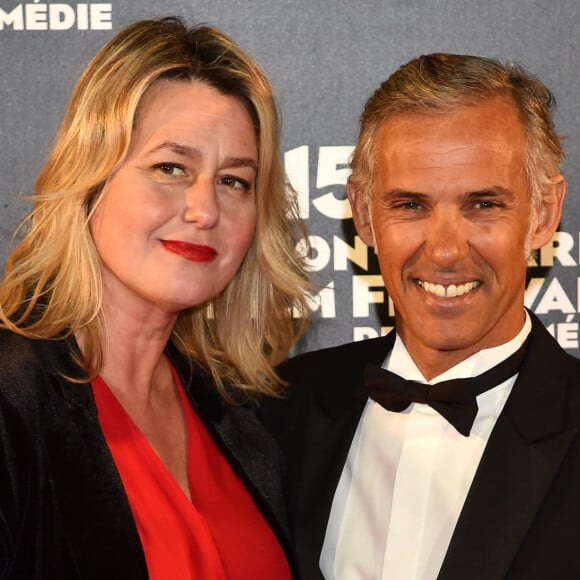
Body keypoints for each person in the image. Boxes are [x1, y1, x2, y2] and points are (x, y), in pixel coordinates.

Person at [0, 16, 311, 580]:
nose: (205, 209)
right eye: (171, 168)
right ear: (90, 177)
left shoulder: (238, 415)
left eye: (233, 181)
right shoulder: (11, 396)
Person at [262, 53, 580, 579]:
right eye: (410, 205)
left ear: (543, 213)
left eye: (483, 205)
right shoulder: (278, 412)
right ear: (363, 214)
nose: (446, 250)